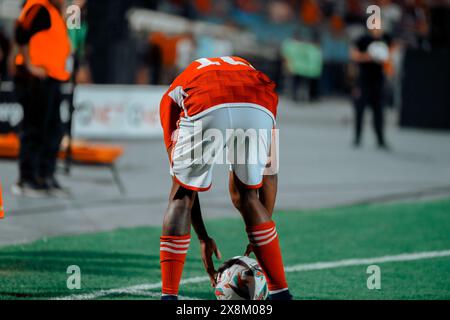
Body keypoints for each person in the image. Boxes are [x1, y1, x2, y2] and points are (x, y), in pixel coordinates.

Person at [159, 56, 292, 300]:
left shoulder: (174, 91)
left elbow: (185, 189)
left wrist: (202, 238)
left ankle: (169, 297)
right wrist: (260, 236)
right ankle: (281, 294)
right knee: (247, 196)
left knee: (180, 197)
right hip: (257, 101)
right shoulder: (254, 76)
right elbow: (270, 173)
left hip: (205, 99)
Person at [11, 0, 72, 197]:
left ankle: (44, 176)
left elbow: (73, 33)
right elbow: (20, 33)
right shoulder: (38, 7)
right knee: (34, 129)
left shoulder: (56, 12)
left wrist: (73, 8)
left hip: (51, 78)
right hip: (36, 78)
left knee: (54, 130)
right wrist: (29, 64)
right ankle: (26, 179)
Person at [350, 27, 392, 150]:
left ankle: (380, 139)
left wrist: (385, 58)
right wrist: (370, 56)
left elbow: (391, 53)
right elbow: (354, 55)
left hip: (378, 80)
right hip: (364, 79)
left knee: (379, 110)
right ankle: (357, 138)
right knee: (360, 109)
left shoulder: (385, 38)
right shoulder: (363, 39)